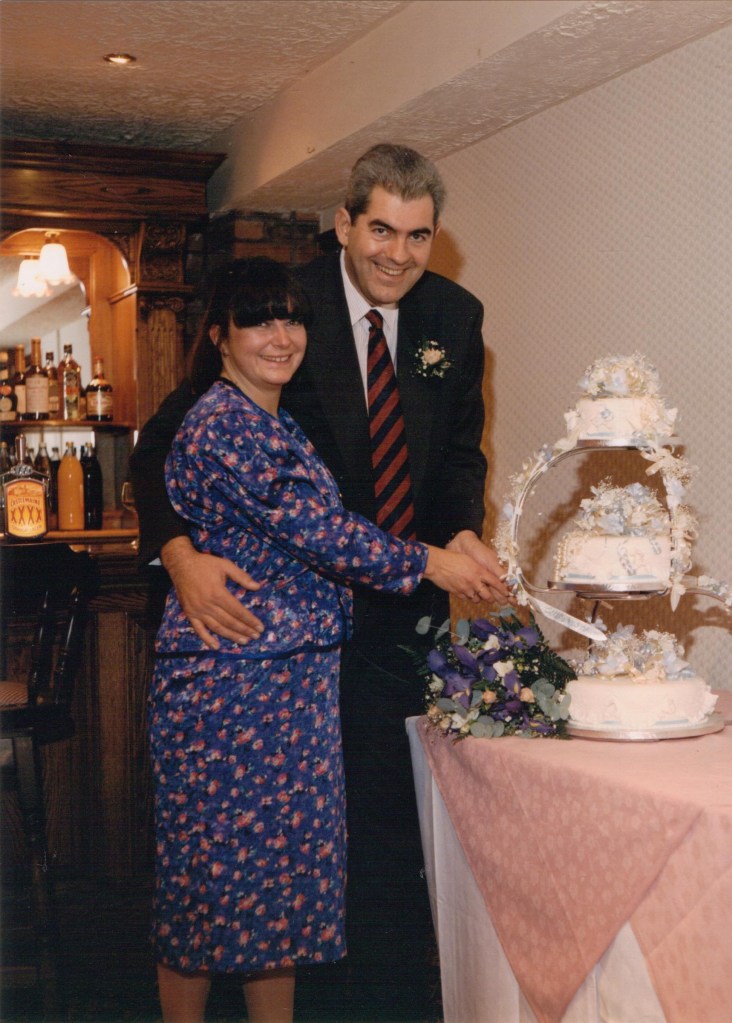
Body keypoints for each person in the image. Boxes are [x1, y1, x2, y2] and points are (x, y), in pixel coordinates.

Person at [131, 143, 510, 1014]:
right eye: (381, 230)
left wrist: (459, 530)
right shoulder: (284, 310)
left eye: (418, 236)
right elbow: (161, 446)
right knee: (254, 863)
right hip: (266, 654)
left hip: (397, 624)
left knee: (378, 838)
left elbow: (460, 454)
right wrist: (179, 557)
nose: (397, 254)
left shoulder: (453, 316)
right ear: (345, 223)